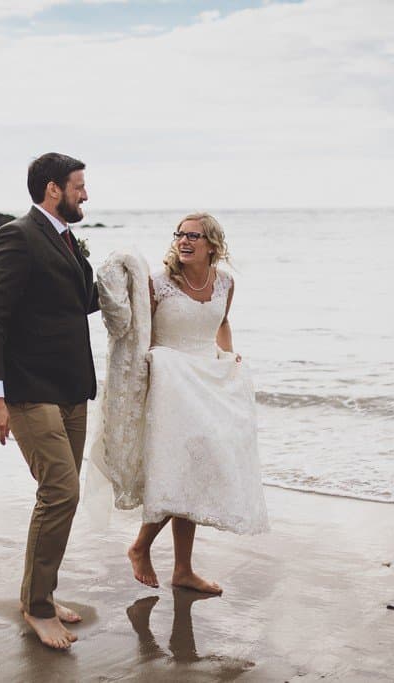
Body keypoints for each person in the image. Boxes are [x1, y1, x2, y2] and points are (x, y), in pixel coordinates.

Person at [0, 152, 98, 650]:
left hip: (72, 389)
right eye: (79, 186)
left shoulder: (68, 242)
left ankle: (40, 592)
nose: (85, 194)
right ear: (52, 190)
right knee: (61, 492)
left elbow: (83, 302)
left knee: (61, 497)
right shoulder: (16, 237)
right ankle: (38, 607)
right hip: (28, 390)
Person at [125, 212, 270, 595]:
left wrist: (230, 357)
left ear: (212, 245)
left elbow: (222, 323)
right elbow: (139, 334)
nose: (184, 241)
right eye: (179, 234)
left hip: (207, 380)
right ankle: (140, 547)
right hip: (170, 383)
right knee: (177, 469)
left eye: (193, 236)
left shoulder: (225, 282)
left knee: (195, 467)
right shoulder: (157, 283)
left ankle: (183, 570)